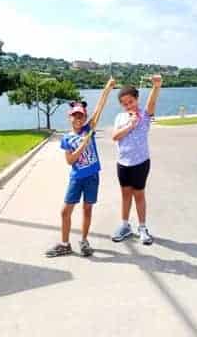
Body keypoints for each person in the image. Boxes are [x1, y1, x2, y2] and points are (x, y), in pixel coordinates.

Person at [46, 76, 115, 258]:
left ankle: (84, 241)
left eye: (81, 115)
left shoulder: (89, 129)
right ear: (70, 117)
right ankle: (64, 244)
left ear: (84, 116)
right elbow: (69, 161)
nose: (78, 118)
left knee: (87, 208)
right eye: (74, 116)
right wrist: (81, 147)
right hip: (77, 177)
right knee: (65, 211)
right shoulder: (67, 138)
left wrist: (107, 88)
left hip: (92, 176)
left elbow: (100, 107)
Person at [111, 75, 162, 245]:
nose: (128, 105)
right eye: (124, 103)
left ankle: (142, 228)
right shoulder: (120, 117)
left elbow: (152, 103)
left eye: (131, 102)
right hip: (123, 163)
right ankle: (125, 226)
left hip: (140, 163)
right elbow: (115, 136)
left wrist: (156, 86)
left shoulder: (145, 115)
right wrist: (130, 125)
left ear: (137, 99)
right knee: (125, 194)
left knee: (139, 195)